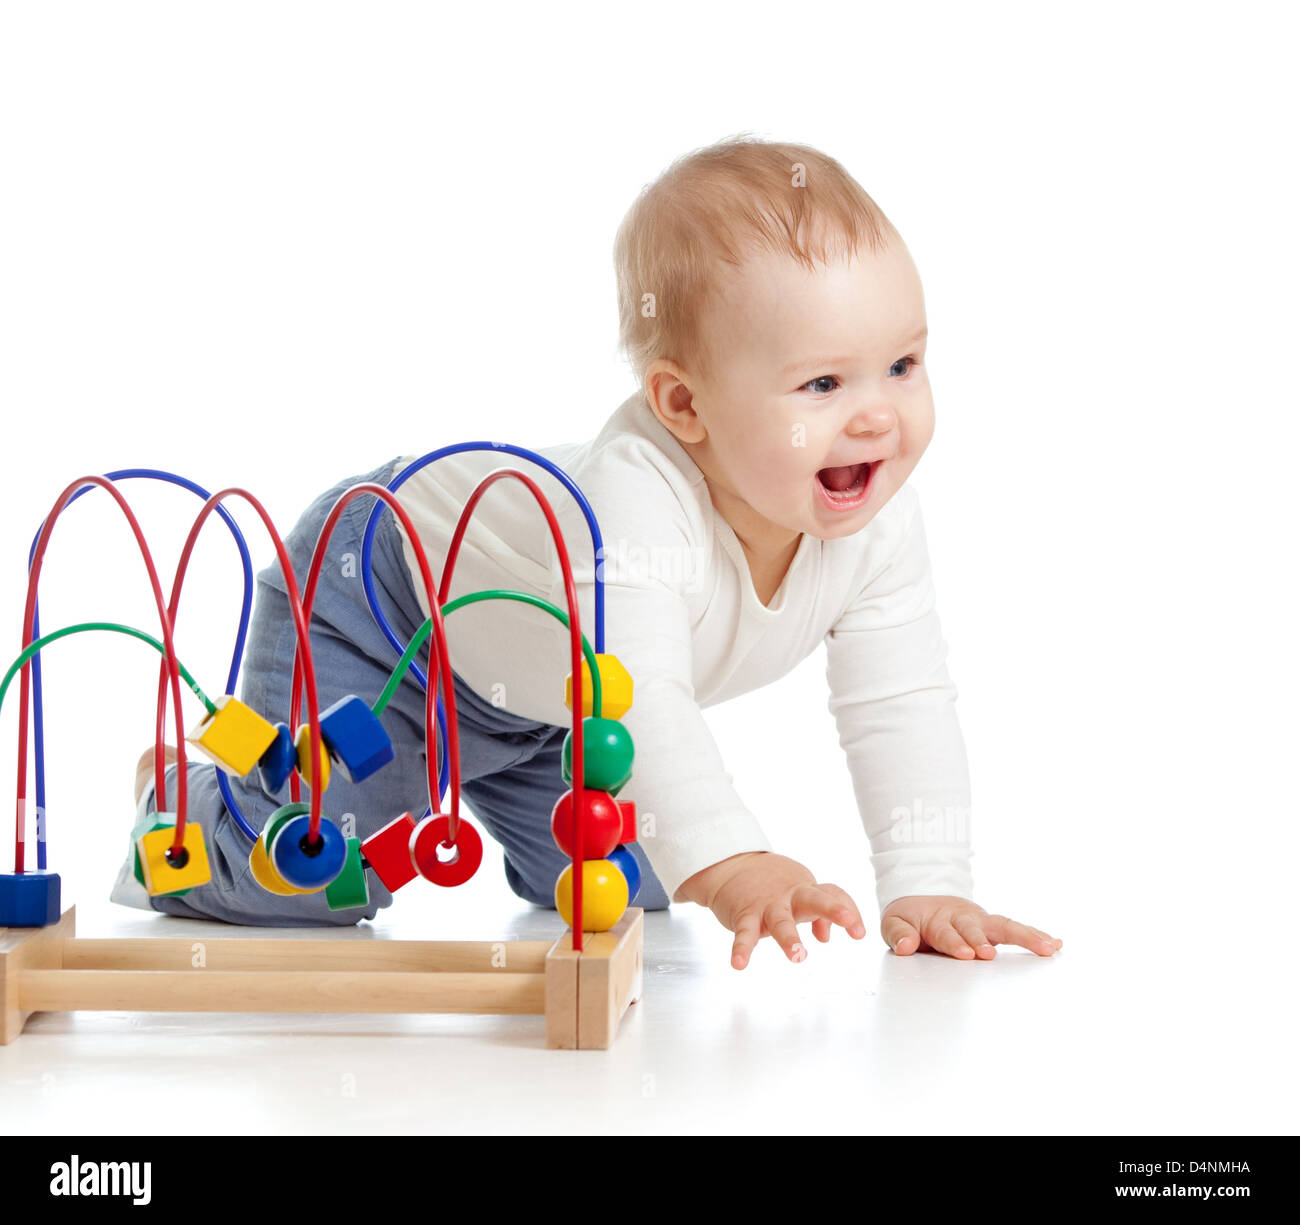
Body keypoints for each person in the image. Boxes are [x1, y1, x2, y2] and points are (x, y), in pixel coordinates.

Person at [115, 134, 1062, 969]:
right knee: (310, 873)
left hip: (550, 701)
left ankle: (495, 775)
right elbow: (644, 690)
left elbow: (898, 700)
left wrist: (929, 881)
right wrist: (733, 861)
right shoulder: (635, 498)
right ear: (683, 406)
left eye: (903, 365)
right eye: (820, 382)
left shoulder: (880, 524)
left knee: (638, 883)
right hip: (383, 601)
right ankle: (186, 794)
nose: (876, 414)